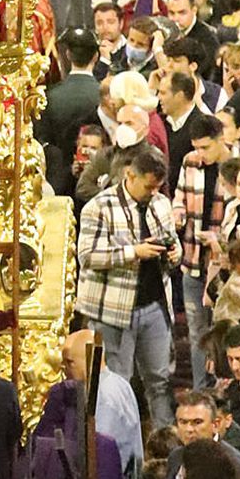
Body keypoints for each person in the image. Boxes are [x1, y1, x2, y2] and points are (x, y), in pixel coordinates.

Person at [74, 151, 182, 426]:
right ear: (129, 176)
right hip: (112, 311)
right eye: (148, 187)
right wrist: (133, 252)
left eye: (157, 188)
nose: (152, 193)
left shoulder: (161, 204)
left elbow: (173, 241)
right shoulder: (99, 207)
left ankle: (164, 443)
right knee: (115, 382)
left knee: (160, 381)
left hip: (154, 305)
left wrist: (174, 254)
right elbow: (87, 256)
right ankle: (113, 442)